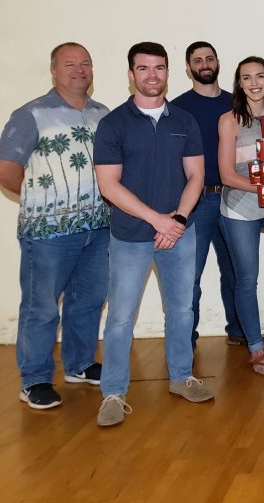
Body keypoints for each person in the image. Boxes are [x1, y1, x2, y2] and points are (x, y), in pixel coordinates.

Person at [93, 41, 213, 427]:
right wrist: (158, 220)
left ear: (168, 72)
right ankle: (113, 392)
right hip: (130, 236)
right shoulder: (113, 124)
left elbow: (196, 176)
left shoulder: (184, 121)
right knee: (121, 318)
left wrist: (176, 219)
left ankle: (181, 378)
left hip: (180, 233)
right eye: (143, 68)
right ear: (131, 75)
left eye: (159, 68)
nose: (152, 75)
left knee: (181, 310)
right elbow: (109, 186)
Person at [0, 43, 109, 410]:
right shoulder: (30, 114)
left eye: (85, 64)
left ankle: (79, 364)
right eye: (70, 64)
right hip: (47, 234)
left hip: (98, 228)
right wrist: (45, 203)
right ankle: (34, 380)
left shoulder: (102, 114)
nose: (79, 70)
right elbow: (7, 170)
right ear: (53, 71)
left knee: (89, 301)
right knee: (41, 307)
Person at [171, 41, 252, 350]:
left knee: (237, 270)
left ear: (218, 62)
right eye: (197, 60)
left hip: (235, 197)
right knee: (189, 275)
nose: (204, 63)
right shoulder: (178, 108)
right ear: (189, 68)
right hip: (198, 201)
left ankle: (242, 331)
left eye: (209, 58)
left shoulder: (238, 104)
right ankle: (185, 341)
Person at [217, 57, 264, 375]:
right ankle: (255, 348)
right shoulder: (230, 120)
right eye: (246, 78)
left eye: (259, 76)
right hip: (241, 207)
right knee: (246, 279)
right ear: (238, 84)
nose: (254, 83)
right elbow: (227, 175)